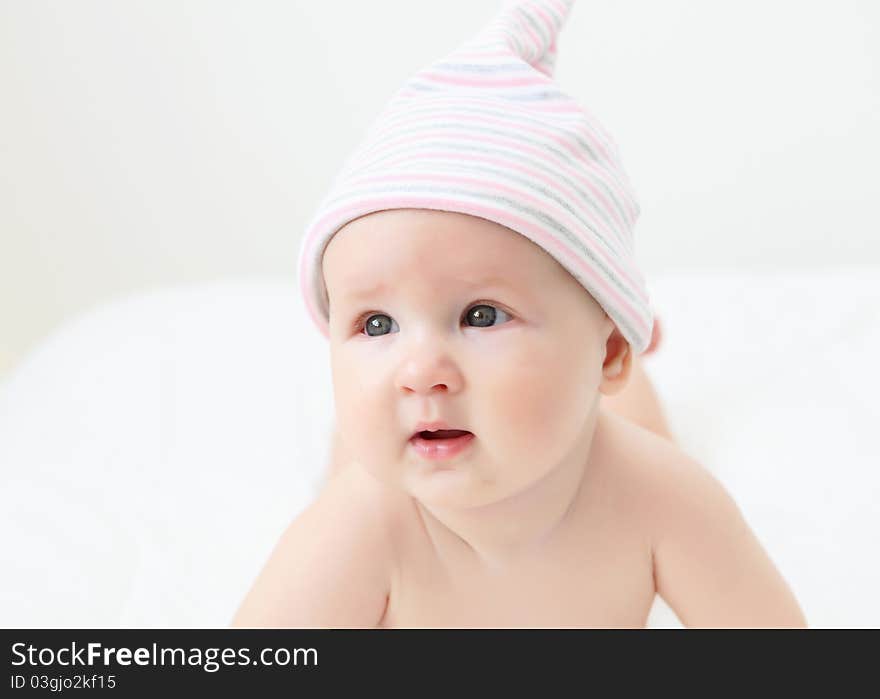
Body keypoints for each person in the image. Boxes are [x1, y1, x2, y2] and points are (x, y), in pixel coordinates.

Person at [231, 0, 806, 628]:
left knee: (628, 415)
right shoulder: (359, 524)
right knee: (362, 450)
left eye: (480, 315)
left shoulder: (663, 495)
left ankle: (627, 352)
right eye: (376, 324)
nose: (419, 368)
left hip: (594, 409)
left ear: (609, 349)